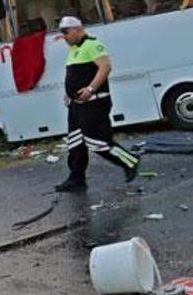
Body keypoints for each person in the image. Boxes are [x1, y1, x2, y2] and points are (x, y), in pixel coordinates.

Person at [54, 16, 140, 192]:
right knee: (75, 142)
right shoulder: (73, 49)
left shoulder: (92, 44)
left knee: (96, 141)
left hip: (94, 102)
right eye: (62, 33)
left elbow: (105, 67)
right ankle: (76, 179)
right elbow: (75, 74)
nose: (64, 37)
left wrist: (91, 89)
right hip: (76, 105)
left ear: (78, 29)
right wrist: (68, 93)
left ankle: (129, 161)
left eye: (66, 32)